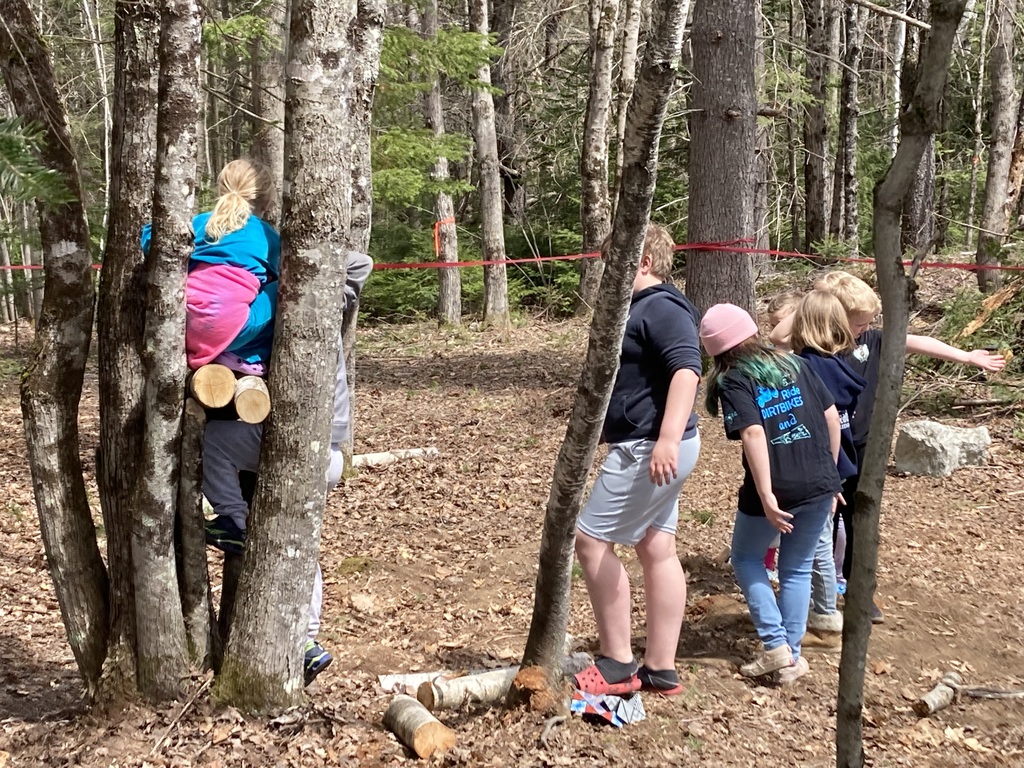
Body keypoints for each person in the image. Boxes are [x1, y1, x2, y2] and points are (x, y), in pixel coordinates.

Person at [769, 270, 1007, 622]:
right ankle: (817, 594)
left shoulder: (873, 341)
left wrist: (967, 356)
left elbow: (919, 341)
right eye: (859, 322)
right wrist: (816, 297)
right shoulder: (816, 347)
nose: (865, 328)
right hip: (822, 447)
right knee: (823, 520)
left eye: (868, 322)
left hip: (863, 445)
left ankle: (856, 590)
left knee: (857, 518)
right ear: (836, 316)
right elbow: (777, 334)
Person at [203, 251, 373, 686]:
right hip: (329, 451)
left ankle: (233, 521)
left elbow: (358, 262)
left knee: (213, 442)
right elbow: (358, 265)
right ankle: (308, 641)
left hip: (301, 447)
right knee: (299, 541)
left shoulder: (288, 312)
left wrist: (273, 267)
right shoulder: (325, 306)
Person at [572, 224, 702, 697]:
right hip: (655, 444)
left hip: (650, 447)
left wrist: (667, 438)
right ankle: (661, 668)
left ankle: (618, 663)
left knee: (589, 542)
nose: (607, 272)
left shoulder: (662, 307)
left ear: (643, 262)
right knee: (655, 547)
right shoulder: (644, 308)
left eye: (615, 262)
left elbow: (687, 370)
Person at [701, 303, 842, 686]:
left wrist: (766, 494)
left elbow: (753, 433)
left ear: (715, 350)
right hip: (819, 483)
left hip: (778, 487)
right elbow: (832, 417)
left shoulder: (734, 379)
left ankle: (776, 645)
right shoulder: (797, 363)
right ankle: (791, 657)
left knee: (747, 557)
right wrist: (830, 474)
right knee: (796, 568)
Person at [141, 158, 280, 376]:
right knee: (285, 288)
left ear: (221, 188)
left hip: (190, 327)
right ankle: (247, 356)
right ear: (267, 199)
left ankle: (224, 351)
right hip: (235, 331)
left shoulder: (201, 223)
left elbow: (150, 236)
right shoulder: (267, 235)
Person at [789, 291, 866, 651]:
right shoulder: (837, 364)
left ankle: (824, 615)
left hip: (824, 468)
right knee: (821, 536)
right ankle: (819, 607)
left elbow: (827, 421)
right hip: (839, 465)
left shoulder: (809, 367)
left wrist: (827, 475)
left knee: (818, 540)